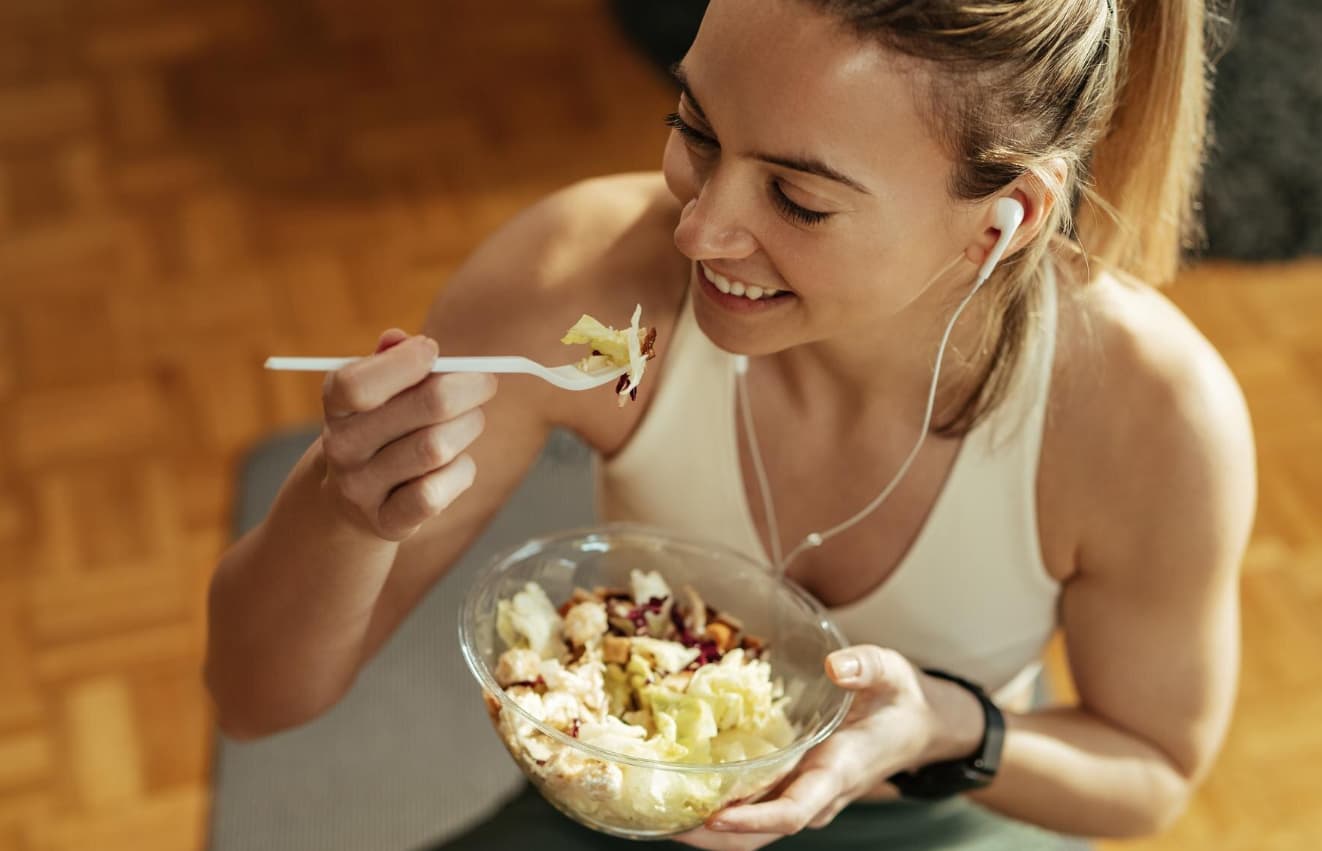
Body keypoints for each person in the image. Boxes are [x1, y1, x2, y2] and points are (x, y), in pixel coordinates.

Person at [204, 0, 1253, 848]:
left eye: (796, 198)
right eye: (695, 131)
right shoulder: (574, 277)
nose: (698, 229)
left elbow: (1146, 777)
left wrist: (941, 724)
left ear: (1003, 217)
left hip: (944, 811)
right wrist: (342, 511)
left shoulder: (1148, 418)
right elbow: (255, 700)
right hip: (631, 803)